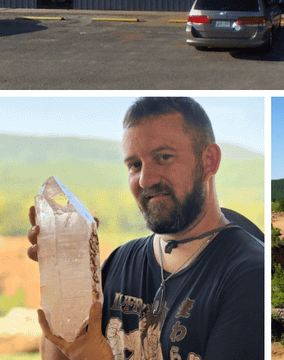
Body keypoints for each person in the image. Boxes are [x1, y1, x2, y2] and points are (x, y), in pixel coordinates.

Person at [28, 96, 264, 360]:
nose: (145, 179)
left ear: (209, 161)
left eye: (163, 157)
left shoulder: (251, 275)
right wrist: (66, 278)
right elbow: (61, 353)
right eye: (134, 165)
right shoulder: (119, 261)